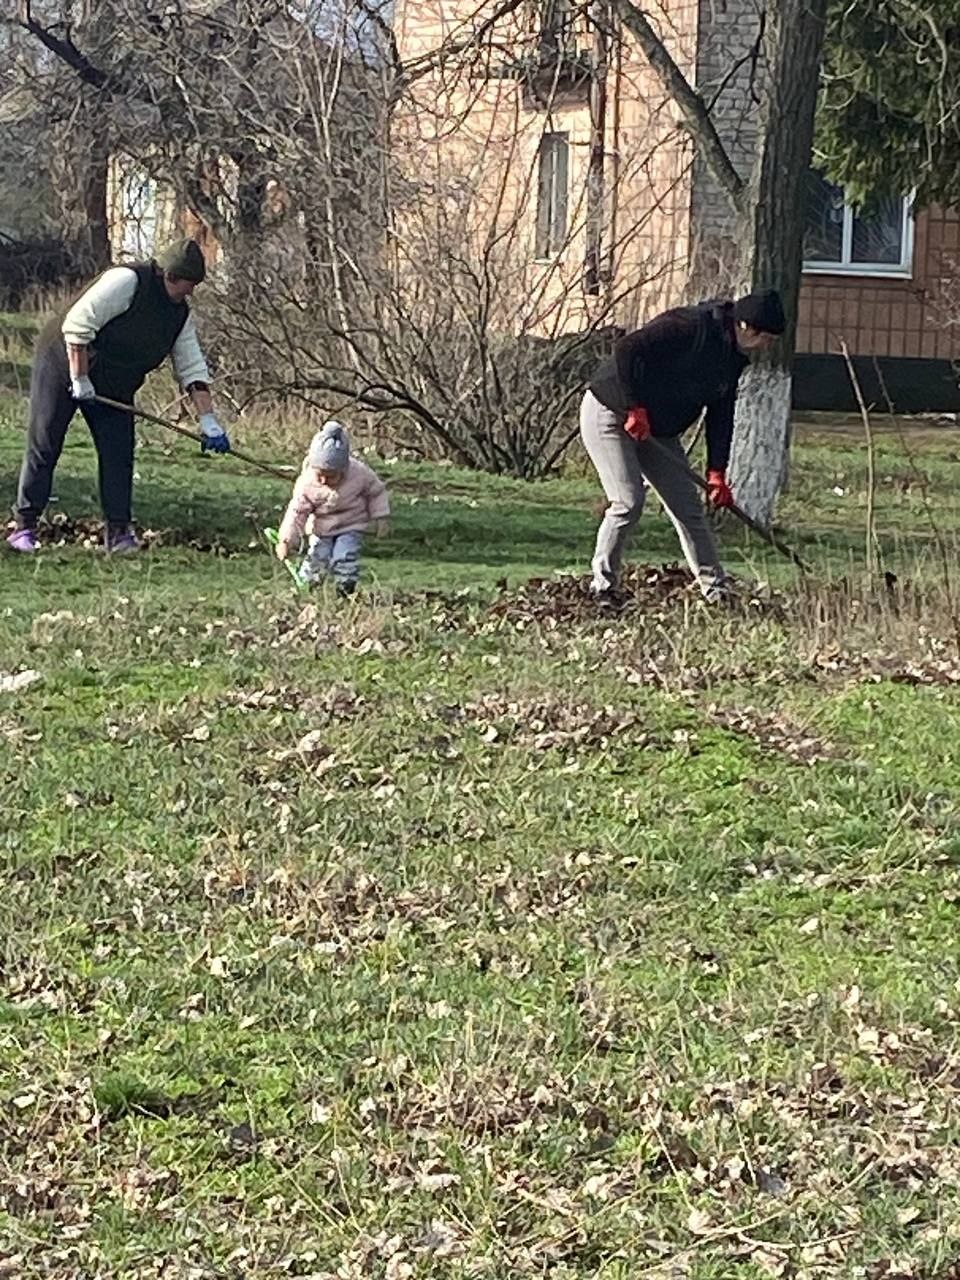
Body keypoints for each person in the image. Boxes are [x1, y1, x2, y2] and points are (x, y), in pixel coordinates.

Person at [7, 238, 230, 554]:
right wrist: (80, 378)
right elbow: (77, 326)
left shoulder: (178, 315)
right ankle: (25, 526)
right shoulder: (127, 282)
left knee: (118, 454)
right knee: (46, 442)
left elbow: (192, 367)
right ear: (170, 276)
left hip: (115, 384)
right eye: (188, 284)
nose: (190, 292)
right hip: (63, 362)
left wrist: (208, 420)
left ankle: (119, 533)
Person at [580, 289, 786, 604]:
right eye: (766, 339)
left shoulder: (733, 360)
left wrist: (717, 472)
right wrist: (634, 407)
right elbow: (627, 350)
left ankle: (716, 590)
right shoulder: (689, 325)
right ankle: (603, 587)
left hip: (658, 429)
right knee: (628, 501)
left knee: (689, 510)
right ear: (746, 326)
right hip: (611, 411)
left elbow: (721, 415)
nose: (766, 347)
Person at [275, 420, 390, 595]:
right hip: (321, 528)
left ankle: (345, 587)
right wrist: (286, 541)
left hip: (351, 525)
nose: (323, 481)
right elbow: (296, 513)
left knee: (344, 555)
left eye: (331, 476)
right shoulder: (307, 483)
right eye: (319, 475)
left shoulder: (360, 474)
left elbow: (377, 492)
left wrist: (381, 517)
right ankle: (308, 586)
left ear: (343, 469)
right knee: (317, 556)